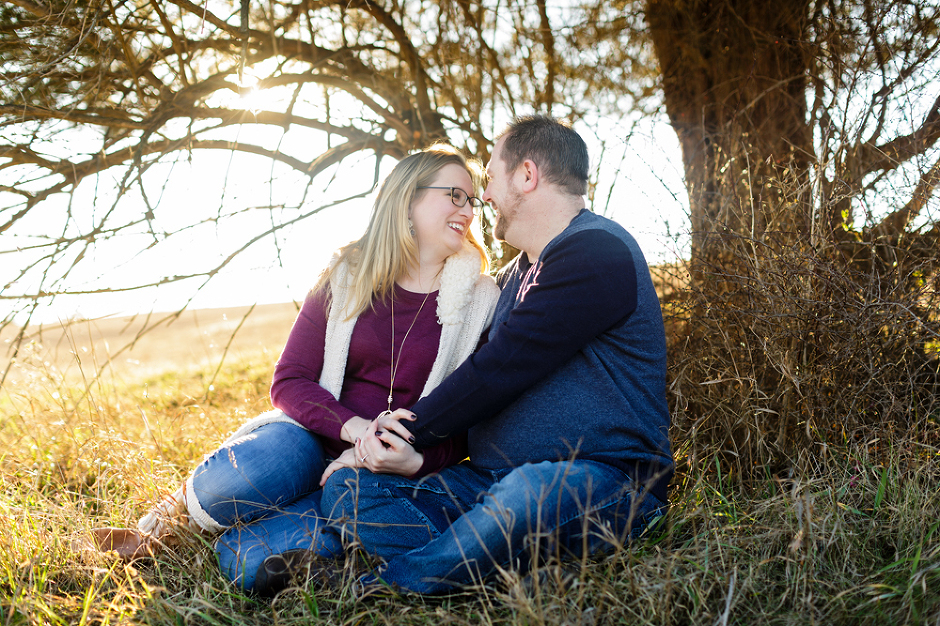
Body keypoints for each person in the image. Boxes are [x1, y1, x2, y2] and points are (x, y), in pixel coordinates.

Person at [86, 144, 500, 593]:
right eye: (455, 195)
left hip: (367, 479)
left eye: (472, 200)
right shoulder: (347, 276)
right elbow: (290, 380)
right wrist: (355, 428)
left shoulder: (481, 301)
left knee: (243, 563)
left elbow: (467, 422)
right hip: (304, 439)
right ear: (407, 198)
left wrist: (414, 460)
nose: (469, 211)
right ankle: (162, 524)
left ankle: (240, 533)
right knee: (248, 472)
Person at [314, 115, 674, 595]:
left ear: (527, 175)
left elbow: (499, 369)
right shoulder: (510, 278)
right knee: (352, 491)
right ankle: (498, 562)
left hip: (606, 482)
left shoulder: (596, 252)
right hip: (483, 483)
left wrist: (389, 436)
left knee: (525, 498)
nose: (483, 197)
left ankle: (396, 583)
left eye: (488, 180)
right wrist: (398, 457)